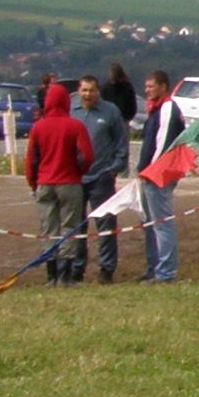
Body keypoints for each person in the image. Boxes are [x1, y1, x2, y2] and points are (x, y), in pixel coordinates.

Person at [21, 84, 94, 285]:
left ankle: (51, 275)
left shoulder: (38, 127)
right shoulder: (76, 126)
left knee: (48, 229)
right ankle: (65, 275)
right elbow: (87, 156)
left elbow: (30, 160)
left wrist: (33, 183)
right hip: (70, 182)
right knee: (69, 228)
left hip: (45, 182)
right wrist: (79, 172)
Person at [73, 76, 131, 284]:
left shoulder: (110, 112)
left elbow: (121, 143)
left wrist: (115, 169)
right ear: (79, 92)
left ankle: (106, 269)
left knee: (105, 225)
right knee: (77, 227)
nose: (88, 94)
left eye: (91, 91)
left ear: (98, 92)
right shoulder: (72, 112)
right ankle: (77, 269)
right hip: (76, 179)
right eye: (84, 91)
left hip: (102, 177)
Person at [135, 70, 186, 283]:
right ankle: (153, 267)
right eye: (145, 87)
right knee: (150, 223)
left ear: (163, 86)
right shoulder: (154, 110)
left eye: (151, 86)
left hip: (158, 175)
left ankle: (165, 272)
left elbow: (163, 143)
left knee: (161, 223)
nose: (147, 90)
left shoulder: (167, 108)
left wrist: (152, 172)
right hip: (147, 174)